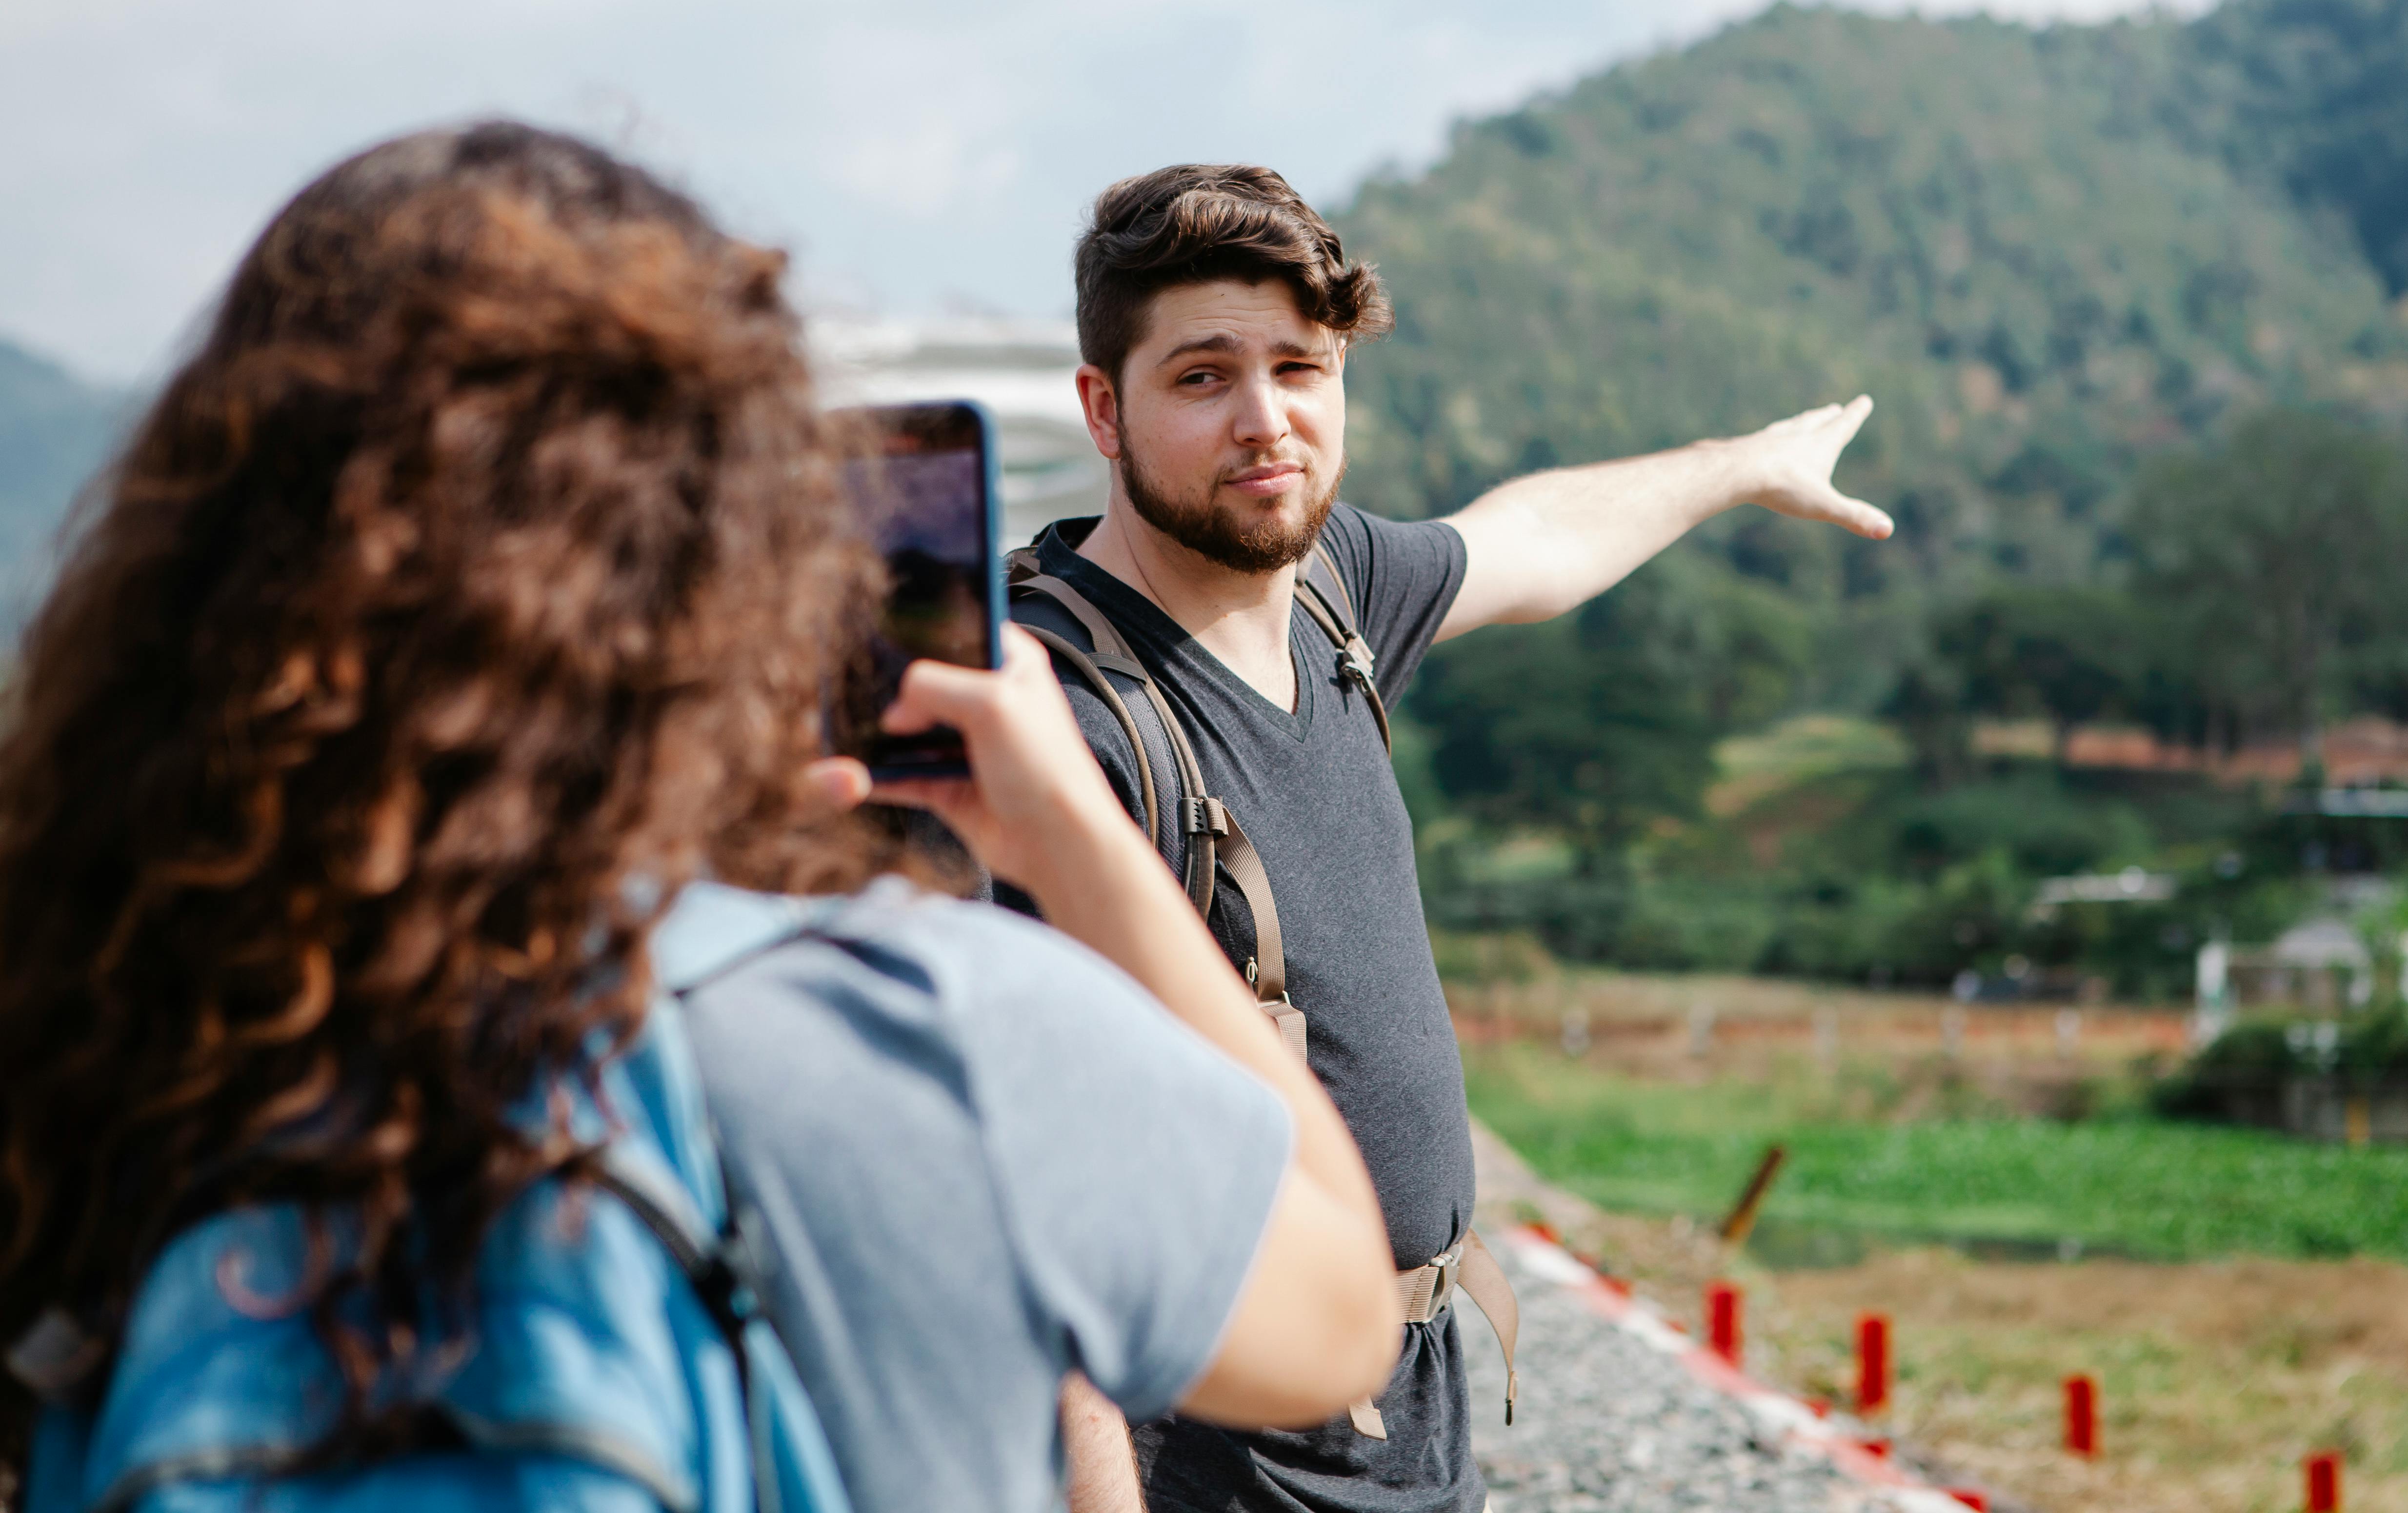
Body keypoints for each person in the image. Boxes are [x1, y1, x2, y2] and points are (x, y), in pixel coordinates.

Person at [0, 124, 1399, 1513]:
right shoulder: (931, 1030)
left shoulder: (103, 1034)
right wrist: (1071, 835)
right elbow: (1338, 1314)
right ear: (739, 559)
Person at [1008, 163, 1893, 1513]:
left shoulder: (1332, 596)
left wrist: (1739, 468)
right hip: (1210, 1452)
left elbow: (1525, 540)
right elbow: (1032, 1188)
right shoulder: (1057, 719)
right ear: (1102, 409)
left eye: (1301, 370)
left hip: (1407, 1418)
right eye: (1202, 378)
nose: (1266, 423)